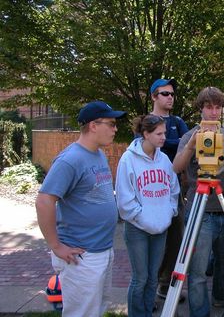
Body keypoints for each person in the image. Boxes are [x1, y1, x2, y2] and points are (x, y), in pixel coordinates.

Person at [35, 101, 126, 317]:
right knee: (82, 313)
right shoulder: (70, 159)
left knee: (98, 308)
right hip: (81, 256)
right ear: (93, 125)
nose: (115, 129)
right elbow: (44, 201)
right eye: (111, 124)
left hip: (102, 250)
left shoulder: (99, 154)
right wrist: (56, 246)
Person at [172, 87, 224, 317]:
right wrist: (193, 145)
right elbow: (176, 167)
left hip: (223, 207)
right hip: (200, 209)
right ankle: (200, 312)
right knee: (198, 270)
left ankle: (221, 295)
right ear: (201, 108)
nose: (214, 112)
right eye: (209, 107)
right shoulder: (190, 135)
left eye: (217, 107)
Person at [116, 114, 180, 317]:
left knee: (153, 278)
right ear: (146, 134)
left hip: (160, 228)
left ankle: (147, 313)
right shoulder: (128, 159)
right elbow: (125, 199)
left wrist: (168, 214)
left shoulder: (164, 159)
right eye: (159, 133)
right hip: (137, 229)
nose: (164, 137)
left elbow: (173, 189)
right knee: (140, 278)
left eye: (164, 132)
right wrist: (144, 218)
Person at [149, 78, 189, 302]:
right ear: (154, 96)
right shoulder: (147, 122)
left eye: (172, 94)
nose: (170, 97)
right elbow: (176, 144)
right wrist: (175, 142)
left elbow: (187, 141)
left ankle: (164, 286)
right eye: (165, 93)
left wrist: (170, 142)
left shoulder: (177, 121)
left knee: (175, 239)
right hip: (152, 191)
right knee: (153, 240)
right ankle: (149, 291)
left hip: (175, 191)